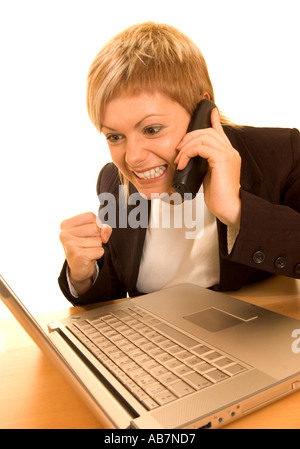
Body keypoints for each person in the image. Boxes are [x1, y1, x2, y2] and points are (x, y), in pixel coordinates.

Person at [58, 22, 300, 306]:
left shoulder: (281, 153)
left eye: (151, 129)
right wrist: (83, 274)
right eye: (115, 136)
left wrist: (236, 210)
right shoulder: (113, 181)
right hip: (155, 346)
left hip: (255, 340)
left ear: (201, 111)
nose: (133, 157)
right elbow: (113, 296)